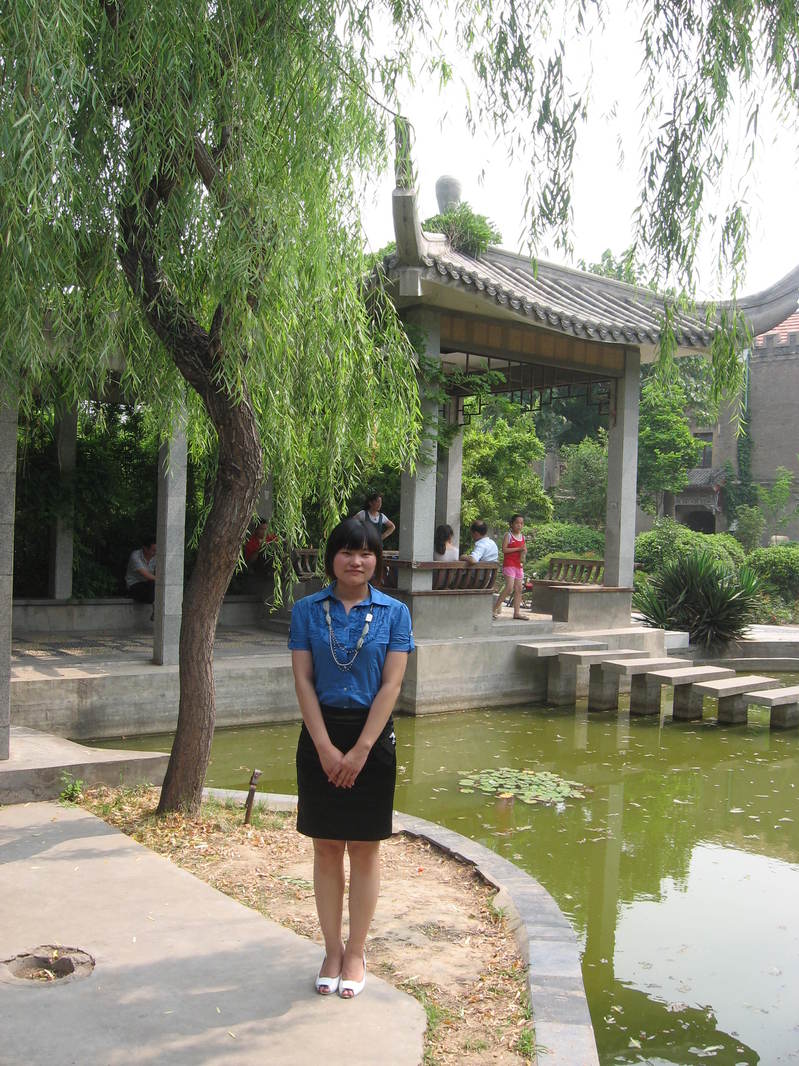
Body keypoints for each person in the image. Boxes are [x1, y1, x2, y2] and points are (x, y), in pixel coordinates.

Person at [289, 516, 414, 999]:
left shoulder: (394, 614)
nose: (356, 561)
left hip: (372, 739)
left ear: (377, 561)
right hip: (320, 733)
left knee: (363, 848)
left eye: (366, 553)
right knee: (325, 847)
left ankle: (357, 952)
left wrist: (361, 750)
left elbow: (392, 685)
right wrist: (325, 748)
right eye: (346, 551)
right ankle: (331, 950)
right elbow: (303, 681)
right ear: (332, 558)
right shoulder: (307, 610)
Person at [493, 514, 528, 620]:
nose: (519, 525)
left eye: (521, 523)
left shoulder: (523, 537)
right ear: (512, 524)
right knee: (509, 587)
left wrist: (524, 552)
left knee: (519, 588)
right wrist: (518, 549)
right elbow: (504, 550)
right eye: (517, 523)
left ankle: (516, 613)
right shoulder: (508, 535)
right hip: (509, 564)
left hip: (518, 565)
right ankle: (494, 609)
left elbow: (524, 551)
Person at [124, 537, 156, 603]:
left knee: (155, 586)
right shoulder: (135, 556)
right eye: (153, 550)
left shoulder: (156, 556)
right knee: (154, 585)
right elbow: (147, 575)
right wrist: (164, 580)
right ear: (145, 548)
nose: (155, 552)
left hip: (148, 584)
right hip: (134, 585)